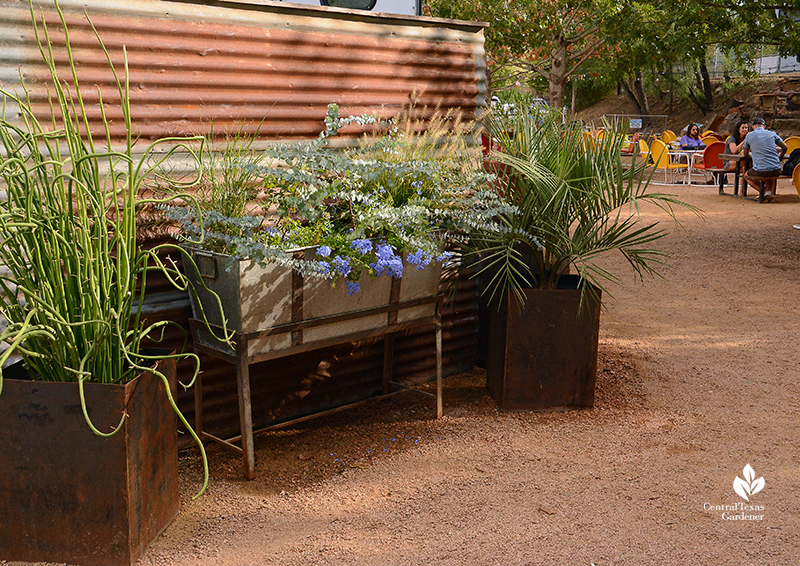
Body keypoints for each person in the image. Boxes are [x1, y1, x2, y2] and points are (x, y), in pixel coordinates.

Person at [742, 117, 788, 202]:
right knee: (770, 170)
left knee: (746, 175)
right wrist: (780, 156)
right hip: (776, 169)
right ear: (765, 126)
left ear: (753, 127)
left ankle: (763, 191)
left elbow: (745, 153)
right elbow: (785, 147)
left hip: (760, 170)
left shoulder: (749, 136)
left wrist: (751, 154)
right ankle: (768, 191)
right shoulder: (772, 134)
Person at [722, 121, 749, 189]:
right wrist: (744, 141)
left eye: (746, 128)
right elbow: (734, 151)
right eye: (743, 128)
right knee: (747, 164)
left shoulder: (747, 139)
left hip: (740, 163)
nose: (745, 130)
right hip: (728, 163)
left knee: (746, 169)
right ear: (738, 129)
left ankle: (742, 191)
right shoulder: (732, 138)